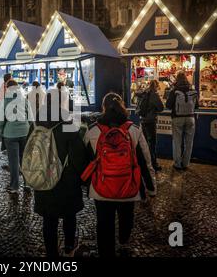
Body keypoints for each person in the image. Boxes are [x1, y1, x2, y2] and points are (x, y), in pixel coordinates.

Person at [84, 93, 156, 257]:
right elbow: (145, 160)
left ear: (103, 108)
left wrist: (86, 184)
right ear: (122, 107)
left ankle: (105, 252)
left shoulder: (93, 131)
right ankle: (123, 240)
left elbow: (87, 160)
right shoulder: (134, 130)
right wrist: (151, 188)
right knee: (126, 217)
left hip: (101, 187)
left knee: (104, 222)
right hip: (128, 185)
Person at [33, 91, 90, 257]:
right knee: (69, 215)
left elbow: (30, 149)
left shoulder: (36, 122)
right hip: (67, 179)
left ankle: (51, 251)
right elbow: (78, 154)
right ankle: (69, 248)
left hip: (44, 176)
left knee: (48, 219)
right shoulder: (68, 122)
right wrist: (83, 178)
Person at [0, 80, 31, 194]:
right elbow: (31, 118)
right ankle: (27, 183)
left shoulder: (5, 101)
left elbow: (0, 120)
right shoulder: (25, 100)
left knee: (13, 161)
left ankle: (14, 186)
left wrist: (2, 133)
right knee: (24, 159)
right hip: (25, 133)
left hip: (10, 134)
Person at [165, 71, 198, 170]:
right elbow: (197, 106)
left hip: (177, 118)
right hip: (190, 118)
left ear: (177, 79)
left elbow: (168, 105)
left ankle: (177, 164)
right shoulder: (192, 90)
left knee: (177, 142)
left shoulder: (174, 91)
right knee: (189, 142)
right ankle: (186, 163)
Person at [136, 80, 164, 171]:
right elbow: (161, 108)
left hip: (142, 120)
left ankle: (144, 163)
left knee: (143, 143)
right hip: (151, 121)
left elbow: (138, 107)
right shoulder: (154, 95)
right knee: (152, 143)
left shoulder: (143, 93)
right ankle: (153, 164)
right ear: (155, 86)